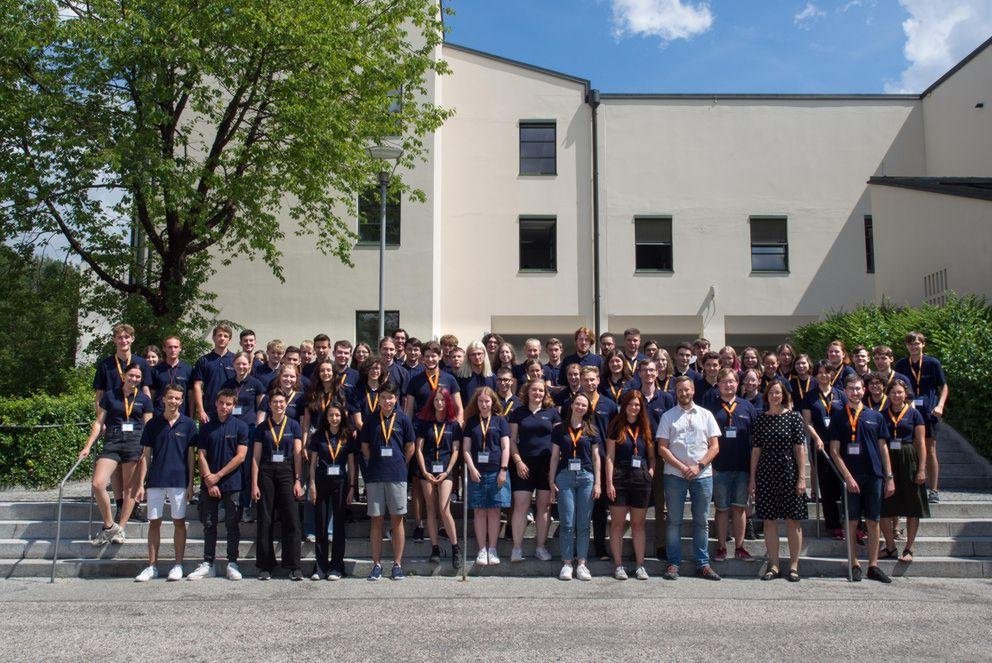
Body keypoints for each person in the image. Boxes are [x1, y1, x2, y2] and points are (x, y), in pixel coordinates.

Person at [828, 375, 896, 583]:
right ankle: (854, 562)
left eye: (858, 389)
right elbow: (834, 451)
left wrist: (889, 476)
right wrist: (847, 477)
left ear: (864, 390)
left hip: (874, 475)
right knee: (852, 521)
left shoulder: (875, 416)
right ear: (845, 391)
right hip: (852, 477)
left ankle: (873, 565)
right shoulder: (838, 416)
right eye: (850, 389)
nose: (855, 392)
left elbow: (884, 448)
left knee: (874, 521)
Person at [79, 362, 154, 545]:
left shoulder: (144, 399)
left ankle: (121, 528)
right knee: (98, 483)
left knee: (129, 488)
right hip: (112, 440)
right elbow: (99, 422)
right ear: (124, 376)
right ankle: (108, 525)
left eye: (138, 377)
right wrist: (88, 445)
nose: (134, 379)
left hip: (135, 441)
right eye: (131, 376)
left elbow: (149, 426)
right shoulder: (110, 396)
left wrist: (146, 450)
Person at [656, 376, 722, 581]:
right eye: (679, 391)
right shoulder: (668, 416)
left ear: (693, 390)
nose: (683, 394)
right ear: (675, 393)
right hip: (675, 475)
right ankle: (673, 563)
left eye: (687, 390)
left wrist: (699, 466)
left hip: (702, 475)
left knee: (701, 521)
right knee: (674, 521)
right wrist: (683, 467)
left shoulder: (706, 415)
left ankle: (703, 563)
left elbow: (715, 446)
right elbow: (662, 448)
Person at [133, 383, 197, 581]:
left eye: (177, 398)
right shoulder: (153, 424)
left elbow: (191, 456)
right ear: (163, 399)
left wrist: (190, 484)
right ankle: (152, 566)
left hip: (178, 480)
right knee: (154, 523)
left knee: (179, 522)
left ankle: (178, 565)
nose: (173, 401)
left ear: (181, 400)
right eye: (170, 397)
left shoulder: (188, 424)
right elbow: (146, 456)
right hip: (156, 480)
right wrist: (140, 484)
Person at [188, 389, 249, 581]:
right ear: (216, 403)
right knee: (209, 524)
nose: (224, 407)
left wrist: (218, 476)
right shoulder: (206, 427)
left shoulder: (241, 426)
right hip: (209, 483)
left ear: (234, 405)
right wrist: (208, 478)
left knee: (232, 525)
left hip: (232, 483)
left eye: (228, 404)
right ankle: (208, 563)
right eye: (221, 403)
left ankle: (232, 562)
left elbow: (241, 456)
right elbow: (201, 454)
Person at [749, 381, 808, 581]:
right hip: (766, 474)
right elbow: (756, 451)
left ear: (784, 395)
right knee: (769, 521)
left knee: (793, 520)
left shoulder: (794, 417)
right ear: (767, 396)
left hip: (789, 472)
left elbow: (800, 449)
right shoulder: (760, 419)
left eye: (778, 392)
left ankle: (793, 566)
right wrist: (752, 479)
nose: (775, 395)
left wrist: (802, 477)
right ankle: (773, 565)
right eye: (772, 392)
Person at [360, 382, 415, 581]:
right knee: (376, 521)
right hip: (375, 475)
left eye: (390, 397)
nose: (387, 401)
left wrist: (400, 463)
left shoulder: (403, 419)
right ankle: (376, 565)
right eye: (383, 397)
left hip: (397, 475)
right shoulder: (371, 420)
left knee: (397, 519)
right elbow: (365, 447)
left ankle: (397, 564)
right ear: (379, 399)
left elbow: (410, 447)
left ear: (396, 399)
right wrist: (375, 462)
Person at [252, 388, 305, 581]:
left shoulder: (293, 425)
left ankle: (294, 566)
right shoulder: (261, 428)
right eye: (275, 402)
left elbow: (298, 455)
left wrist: (298, 479)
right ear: (270, 404)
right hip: (266, 472)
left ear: (286, 404)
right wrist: (254, 484)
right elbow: (256, 458)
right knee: (265, 519)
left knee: (292, 518)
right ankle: (265, 565)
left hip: (287, 472)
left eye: (282, 402)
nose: (278, 405)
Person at [508, 379, 561, 562]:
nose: (537, 393)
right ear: (527, 392)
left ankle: (540, 546)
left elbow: (558, 441)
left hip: (546, 466)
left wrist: (554, 469)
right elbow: (512, 441)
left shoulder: (552, 413)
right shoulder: (518, 413)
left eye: (541, 391)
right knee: (521, 506)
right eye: (534, 390)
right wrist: (518, 462)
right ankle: (516, 548)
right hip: (523, 465)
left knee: (544, 507)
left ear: (545, 393)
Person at [549, 392, 600, 581]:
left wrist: (598, 482)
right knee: (568, 522)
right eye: (577, 403)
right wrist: (551, 479)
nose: (580, 407)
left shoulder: (591, 430)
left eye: (584, 405)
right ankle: (567, 563)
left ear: (588, 409)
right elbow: (554, 456)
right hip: (565, 477)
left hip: (586, 477)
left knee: (584, 524)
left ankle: (582, 564)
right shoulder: (559, 429)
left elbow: (596, 458)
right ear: (572, 405)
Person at [708, 368, 757, 563]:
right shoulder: (711, 408)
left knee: (739, 508)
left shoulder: (747, 407)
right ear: (718, 384)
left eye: (732, 381)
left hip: (742, 467)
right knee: (721, 509)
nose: (728, 385)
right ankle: (721, 547)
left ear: (738, 384)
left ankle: (740, 546)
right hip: (719, 467)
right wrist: (709, 465)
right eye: (724, 382)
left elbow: (755, 441)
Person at [605, 391, 654, 580]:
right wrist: (609, 482)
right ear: (624, 405)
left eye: (638, 405)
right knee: (617, 524)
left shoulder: (645, 426)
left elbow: (651, 455)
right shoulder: (616, 426)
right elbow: (609, 456)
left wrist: (650, 472)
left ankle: (640, 565)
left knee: (638, 524)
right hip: (620, 476)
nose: (634, 408)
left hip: (641, 476)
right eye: (631, 404)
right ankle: (618, 565)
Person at [894, 331, 948, 503]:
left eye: (917, 343)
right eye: (910, 343)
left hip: (928, 413)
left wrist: (940, 405)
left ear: (923, 344)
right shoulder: (902, 364)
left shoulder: (933, 363)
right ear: (906, 346)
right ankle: (913, 485)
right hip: (908, 413)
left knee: (930, 450)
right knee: (912, 448)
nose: (914, 346)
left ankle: (933, 490)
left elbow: (944, 386)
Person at [880, 379, 929, 563]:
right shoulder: (882, 415)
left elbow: (922, 443)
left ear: (905, 394)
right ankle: (890, 547)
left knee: (912, 506)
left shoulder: (914, 414)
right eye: (893, 392)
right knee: (885, 505)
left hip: (909, 458)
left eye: (900, 392)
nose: (896, 395)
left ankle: (909, 547)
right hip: (889, 460)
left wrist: (922, 469)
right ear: (888, 394)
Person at [308, 401, 357, 580]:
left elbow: (351, 464)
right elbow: (312, 464)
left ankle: (337, 566)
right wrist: (312, 485)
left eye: (337, 415)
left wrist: (352, 487)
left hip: (341, 483)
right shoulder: (318, 436)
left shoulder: (347, 436)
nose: (334, 418)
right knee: (320, 525)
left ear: (342, 416)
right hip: (321, 481)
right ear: (326, 417)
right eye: (330, 415)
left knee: (338, 526)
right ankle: (320, 567)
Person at [414, 387, 463, 568]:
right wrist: (425, 472)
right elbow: (418, 449)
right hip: (426, 469)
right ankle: (435, 548)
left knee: (444, 508)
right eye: (436, 400)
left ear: (448, 402)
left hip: (446, 470)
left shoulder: (453, 424)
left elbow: (456, 450)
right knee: (431, 508)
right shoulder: (424, 422)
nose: (439, 403)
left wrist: (447, 471)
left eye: (443, 400)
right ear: (432, 402)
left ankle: (455, 547)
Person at [462, 386, 511, 566]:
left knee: (494, 510)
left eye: (487, 401)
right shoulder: (472, 422)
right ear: (477, 402)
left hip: (496, 471)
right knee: (479, 510)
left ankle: (493, 548)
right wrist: (472, 468)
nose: (484, 404)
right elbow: (466, 449)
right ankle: (482, 549)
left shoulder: (500, 421)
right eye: (481, 401)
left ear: (493, 402)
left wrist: (503, 470)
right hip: (477, 472)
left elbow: (506, 447)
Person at [191, 324, 236, 424]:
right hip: (209, 411)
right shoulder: (204, 360)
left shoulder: (235, 360)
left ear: (229, 339)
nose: (222, 338)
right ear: (213, 337)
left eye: (225, 336)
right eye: (219, 335)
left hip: (230, 411)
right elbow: (197, 386)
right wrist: (201, 411)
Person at [150, 336, 193, 416]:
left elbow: (191, 396)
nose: (173, 350)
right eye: (170, 347)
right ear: (164, 349)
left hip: (182, 415)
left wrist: (191, 416)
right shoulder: (156, 370)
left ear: (180, 348)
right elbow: (152, 395)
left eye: (175, 347)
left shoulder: (188, 369)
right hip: (160, 415)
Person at [457, 340, 495, 405]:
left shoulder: (492, 377)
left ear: (484, 355)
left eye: (479, 354)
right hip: (467, 414)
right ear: (469, 357)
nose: (477, 357)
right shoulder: (460, 377)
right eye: (473, 354)